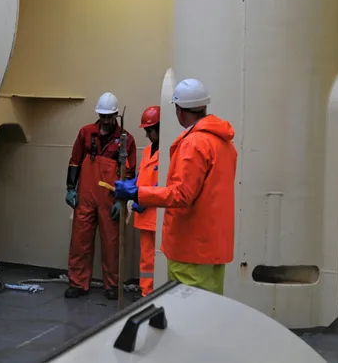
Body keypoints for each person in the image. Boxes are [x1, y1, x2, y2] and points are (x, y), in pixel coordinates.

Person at [114, 79, 237, 295]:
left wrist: (137, 193)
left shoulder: (194, 143)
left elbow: (181, 195)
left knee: (189, 312)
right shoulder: (223, 143)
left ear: (180, 111)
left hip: (191, 248)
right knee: (210, 310)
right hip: (214, 245)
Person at [65, 92, 136, 300]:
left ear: (116, 115)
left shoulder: (126, 140)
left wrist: (122, 200)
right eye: (103, 116)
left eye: (110, 116)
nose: (106, 120)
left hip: (110, 198)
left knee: (112, 242)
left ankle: (112, 285)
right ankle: (78, 283)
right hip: (85, 195)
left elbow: (129, 172)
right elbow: (75, 161)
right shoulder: (86, 133)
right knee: (80, 240)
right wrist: (70, 188)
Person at [130, 105, 161, 297]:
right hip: (145, 215)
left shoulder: (170, 151)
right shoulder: (148, 151)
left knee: (158, 258)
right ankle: (146, 293)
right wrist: (133, 185)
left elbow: (164, 182)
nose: (148, 135)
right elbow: (144, 175)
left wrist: (142, 196)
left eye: (150, 130)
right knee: (146, 258)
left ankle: (156, 293)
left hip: (158, 214)